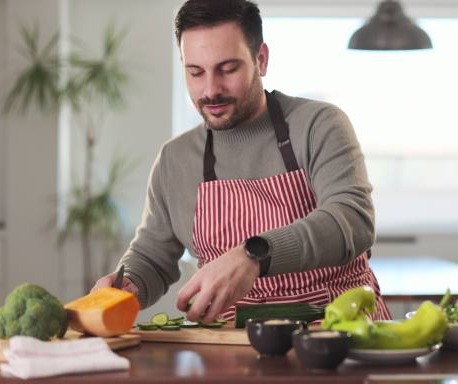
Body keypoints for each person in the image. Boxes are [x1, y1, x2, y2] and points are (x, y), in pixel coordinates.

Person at [92, 0, 391, 323]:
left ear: (260, 60)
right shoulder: (175, 159)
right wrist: (127, 286)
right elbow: (152, 256)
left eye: (227, 69)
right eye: (195, 72)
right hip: (231, 347)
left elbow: (351, 219)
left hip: (339, 334)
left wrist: (254, 254)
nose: (210, 90)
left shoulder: (318, 124)